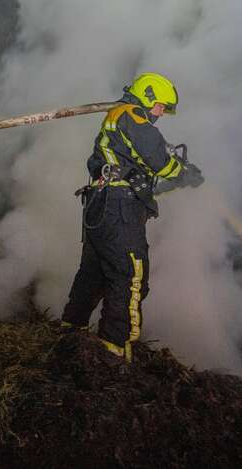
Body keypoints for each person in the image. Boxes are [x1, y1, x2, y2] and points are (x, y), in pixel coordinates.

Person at [60, 72, 203, 362]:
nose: (161, 113)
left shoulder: (117, 121)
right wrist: (184, 172)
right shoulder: (132, 116)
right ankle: (113, 350)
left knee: (96, 273)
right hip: (118, 208)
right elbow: (159, 160)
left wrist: (179, 179)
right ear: (148, 97)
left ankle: (70, 332)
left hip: (102, 205)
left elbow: (143, 176)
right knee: (130, 275)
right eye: (161, 106)